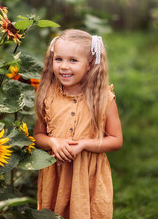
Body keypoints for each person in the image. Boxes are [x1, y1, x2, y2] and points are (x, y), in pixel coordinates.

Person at [34, 29, 123, 219]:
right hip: (55, 174)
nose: (64, 66)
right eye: (58, 59)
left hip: (87, 177)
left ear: (90, 65)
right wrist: (53, 143)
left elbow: (116, 140)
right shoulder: (47, 95)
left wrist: (83, 145)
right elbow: (38, 136)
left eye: (73, 60)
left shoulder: (103, 98)